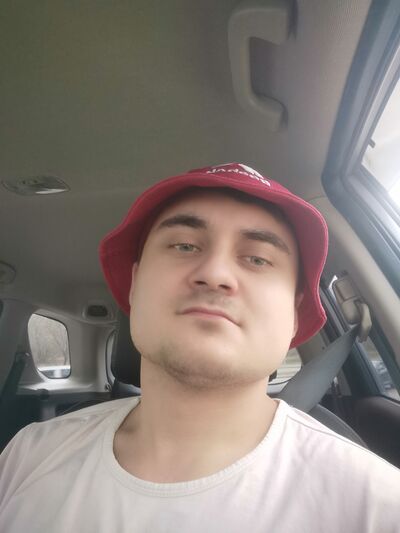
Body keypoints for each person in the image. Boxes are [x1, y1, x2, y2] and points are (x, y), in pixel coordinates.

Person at [0, 163, 399, 532]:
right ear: (135, 286)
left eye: (258, 259)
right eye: (185, 246)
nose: (215, 273)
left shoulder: (375, 507)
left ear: (294, 315)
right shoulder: (27, 455)